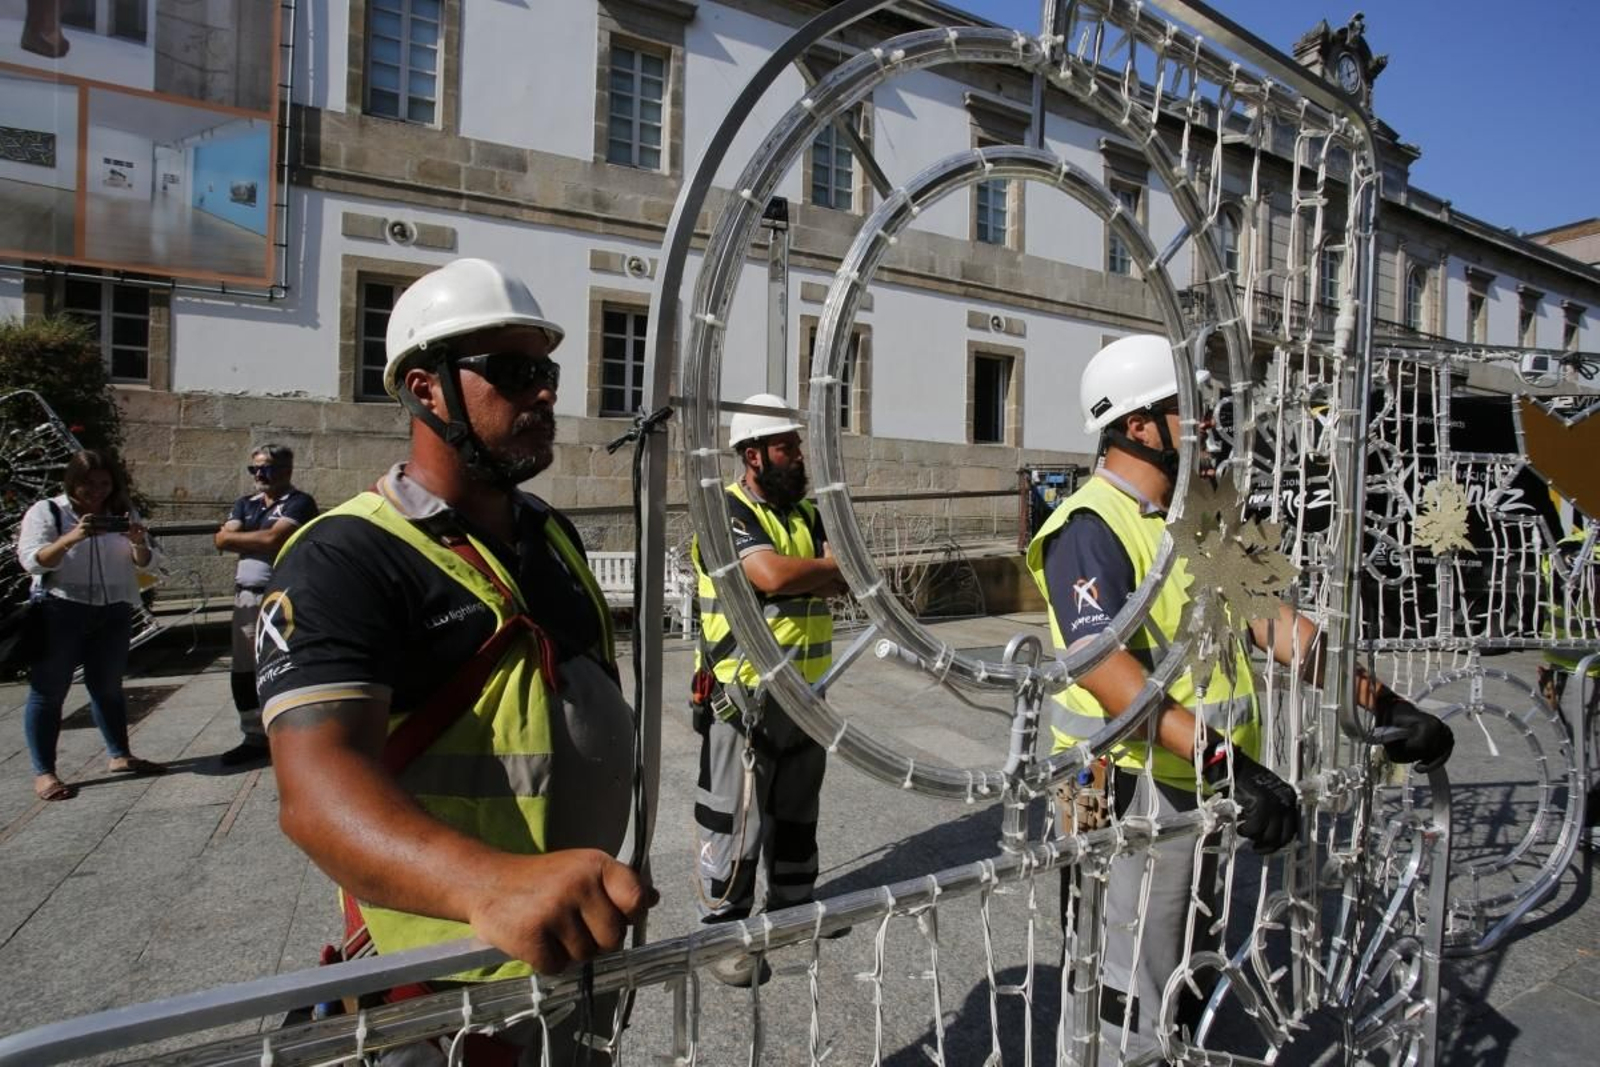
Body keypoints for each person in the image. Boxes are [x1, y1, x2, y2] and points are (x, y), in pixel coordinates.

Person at [256, 258, 653, 1062]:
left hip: (575, 958)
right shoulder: (345, 555)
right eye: (511, 372)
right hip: (439, 992)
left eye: (545, 370)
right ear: (423, 388)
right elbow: (315, 789)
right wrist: (492, 883)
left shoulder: (552, 536)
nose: (544, 393)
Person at [1027, 334, 1453, 1044]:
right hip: (1131, 793)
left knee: (1189, 976)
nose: (1208, 421)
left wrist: (1380, 703)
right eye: (1189, 407)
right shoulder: (1090, 526)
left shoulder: (1202, 511)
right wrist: (1229, 764)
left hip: (1205, 783)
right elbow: (1106, 672)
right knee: (1131, 992)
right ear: (1138, 424)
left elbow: (1276, 620)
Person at [689, 392, 848, 987]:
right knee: (735, 817)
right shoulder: (723, 511)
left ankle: (792, 908)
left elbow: (846, 571)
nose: (798, 456)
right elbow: (771, 575)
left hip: (808, 694)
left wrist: (822, 575)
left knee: (797, 809)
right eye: (786, 447)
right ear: (752, 455)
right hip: (744, 697)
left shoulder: (805, 514)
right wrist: (823, 574)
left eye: (797, 445)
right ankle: (723, 932)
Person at [16, 449, 166, 801]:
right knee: (48, 691)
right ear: (72, 482)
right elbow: (32, 561)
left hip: (112, 609)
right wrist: (73, 537)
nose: (96, 491)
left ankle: (120, 755)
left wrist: (137, 541)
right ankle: (45, 772)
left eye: (103, 483)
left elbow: (148, 563)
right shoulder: (49, 511)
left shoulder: (121, 512)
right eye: (87, 484)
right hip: (60, 608)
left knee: (108, 687)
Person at [213, 443, 317, 766]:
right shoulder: (246, 503)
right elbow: (221, 538)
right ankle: (253, 734)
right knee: (244, 667)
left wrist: (237, 538)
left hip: (280, 594)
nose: (259, 474)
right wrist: (242, 538)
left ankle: (296, 732)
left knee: (285, 662)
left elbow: (274, 539)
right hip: (246, 594)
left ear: (286, 471)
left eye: (266, 468)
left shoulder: (298, 503)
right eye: (254, 468)